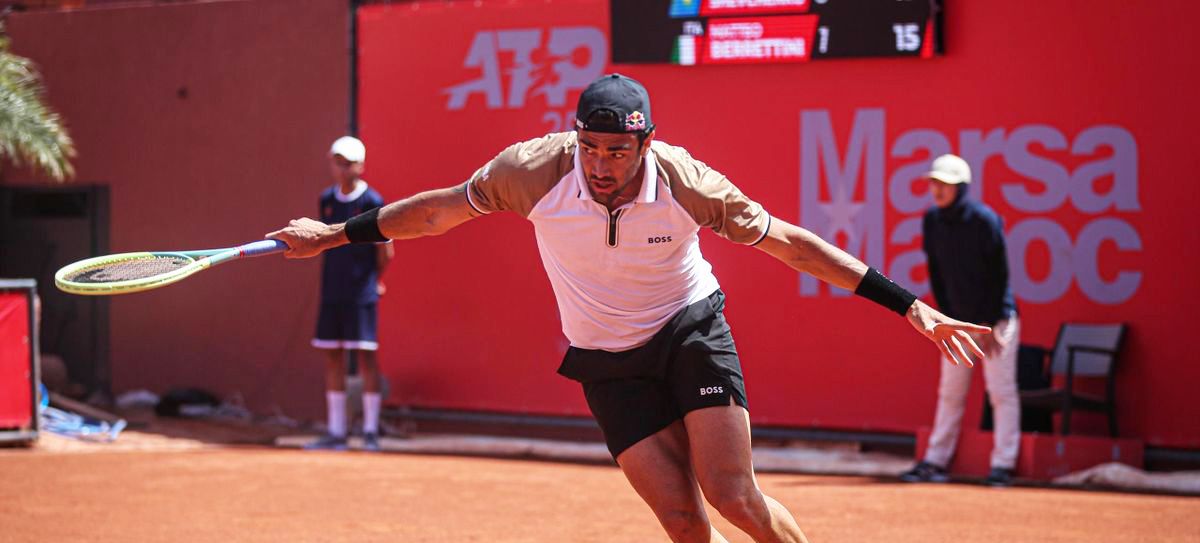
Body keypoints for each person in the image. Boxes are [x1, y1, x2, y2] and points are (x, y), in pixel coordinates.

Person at [270, 74, 989, 542]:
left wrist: (909, 307)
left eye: (618, 150)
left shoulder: (687, 181)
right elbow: (436, 214)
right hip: (605, 359)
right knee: (682, 520)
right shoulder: (530, 171)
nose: (601, 164)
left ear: (645, 141)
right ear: (574, 137)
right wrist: (333, 235)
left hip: (689, 329)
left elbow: (794, 246)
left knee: (733, 495)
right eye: (590, 147)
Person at [899, 154, 1021, 487]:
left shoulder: (985, 221)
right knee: (950, 392)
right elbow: (937, 274)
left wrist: (992, 324)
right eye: (934, 183)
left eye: (945, 184)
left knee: (1001, 392)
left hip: (997, 322)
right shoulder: (932, 221)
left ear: (961, 188)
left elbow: (1000, 276)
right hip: (957, 323)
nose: (937, 190)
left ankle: (1003, 465)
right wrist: (946, 319)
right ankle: (935, 462)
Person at [305, 136, 394, 452]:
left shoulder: (372, 201)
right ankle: (336, 432)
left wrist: (374, 281)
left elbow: (386, 251)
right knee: (333, 357)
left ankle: (370, 432)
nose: (342, 169)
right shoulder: (326, 200)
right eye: (337, 162)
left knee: (367, 358)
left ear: (361, 165)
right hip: (333, 292)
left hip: (361, 295)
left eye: (349, 163)